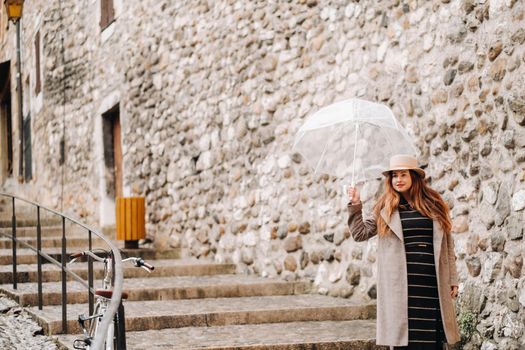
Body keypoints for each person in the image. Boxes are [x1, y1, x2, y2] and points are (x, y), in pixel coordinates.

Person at [346, 154, 460, 350]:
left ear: (413, 177)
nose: (398, 180)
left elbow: (448, 244)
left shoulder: (434, 204)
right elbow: (360, 233)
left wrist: (453, 278)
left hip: (431, 284)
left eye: (403, 175)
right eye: (394, 176)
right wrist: (356, 205)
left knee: (431, 341)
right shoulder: (385, 207)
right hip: (400, 286)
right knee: (403, 340)